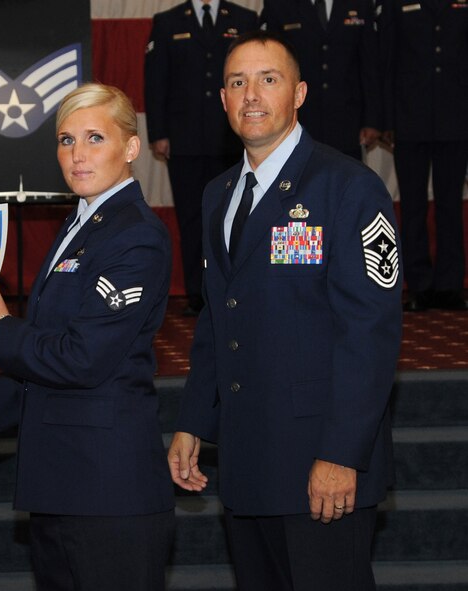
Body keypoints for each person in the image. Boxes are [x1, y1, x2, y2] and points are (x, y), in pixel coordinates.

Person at [168, 32, 401, 591]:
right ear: (222, 99)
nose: (251, 95)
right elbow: (217, 316)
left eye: (267, 80)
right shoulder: (218, 194)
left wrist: (342, 454)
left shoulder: (349, 188)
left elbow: (369, 334)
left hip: (320, 465)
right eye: (236, 82)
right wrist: (195, 419)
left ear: (298, 94)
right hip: (248, 461)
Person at [0, 83, 176, 591]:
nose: (77, 155)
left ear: (130, 148)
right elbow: (50, 353)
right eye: (65, 140)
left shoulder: (136, 236)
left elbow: (82, 358)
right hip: (62, 484)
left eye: (94, 138)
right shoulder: (81, 225)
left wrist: (1, 325)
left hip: (108, 491)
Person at [144, 0, 258, 316]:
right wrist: (158, 133)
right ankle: (198, 292)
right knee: (192, 219)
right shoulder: (167, 21)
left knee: (237, 217)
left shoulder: (244, 18)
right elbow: (156, 80)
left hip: (231, 140)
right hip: (184, 140)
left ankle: (236, 287)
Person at [379, 0, 468, 311]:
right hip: (409, 120)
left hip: (455, 119)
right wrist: (387, 122)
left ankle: (450, 286)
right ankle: (419, 286)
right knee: (413, 207)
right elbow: (387, 60)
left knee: (450, 206)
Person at [260, 0, 382, 160]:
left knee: (346, 181)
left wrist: (372, 120)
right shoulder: (279, 5)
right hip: (298, 121)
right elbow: (272, 68)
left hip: (347, 121)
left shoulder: (359, 4)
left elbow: (369, 66)